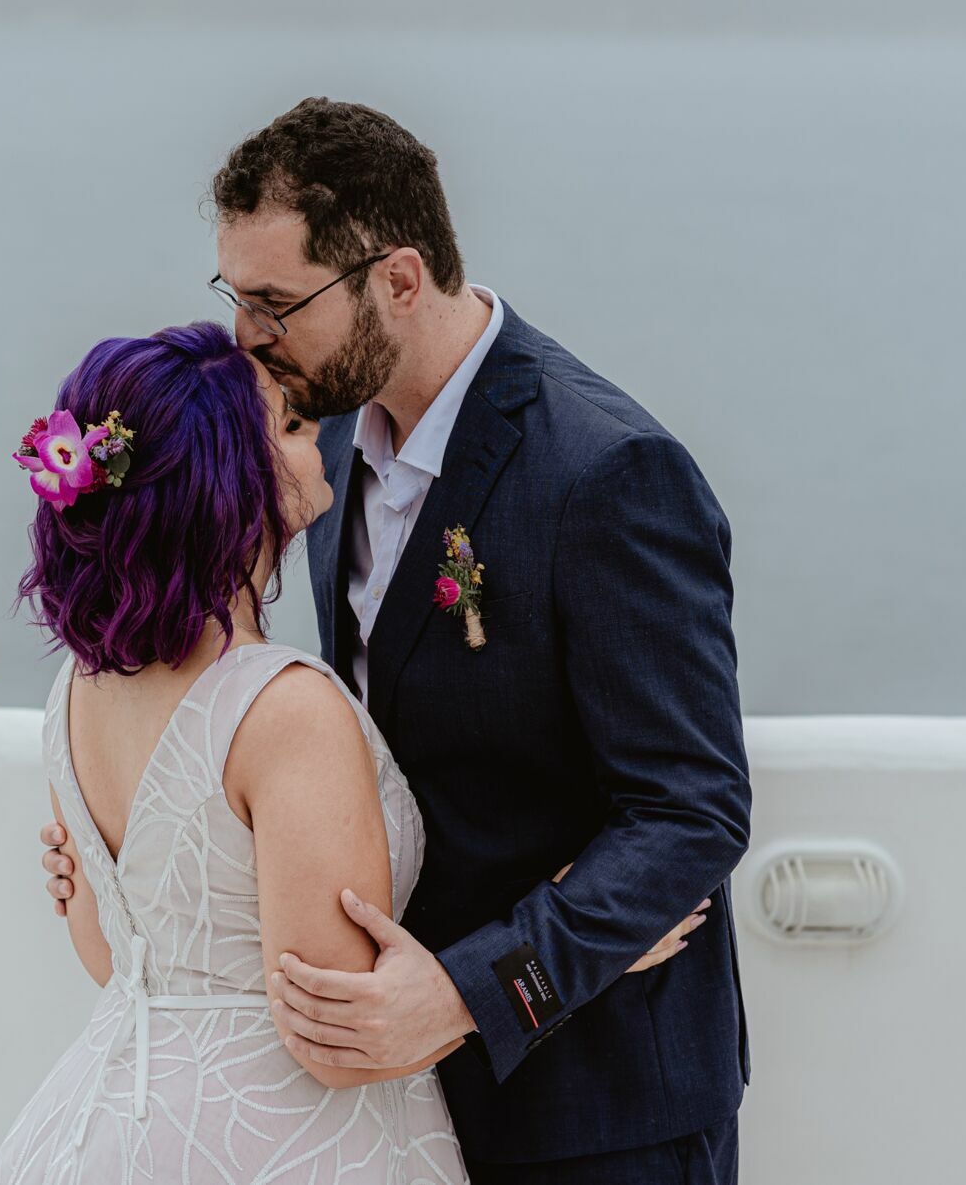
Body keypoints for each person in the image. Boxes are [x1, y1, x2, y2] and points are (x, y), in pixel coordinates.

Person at [42, 99, 752, 1184]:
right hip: (388, 1094)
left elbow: (688, 809)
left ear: (400, 280)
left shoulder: (604, 472)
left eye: (279, 303)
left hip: (597, 1108)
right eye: (237, 298)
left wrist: (480, 989)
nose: (250, 340)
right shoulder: (317, 441)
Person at [0, 323, 702, 1184]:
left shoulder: (78, 689)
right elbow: (342, 1040)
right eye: (290, 423)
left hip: (112, 1127)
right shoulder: (285, 709)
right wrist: (573, 942)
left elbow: (125, 965)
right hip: (279, 1143)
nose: (322, 427)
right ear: (232, 482)